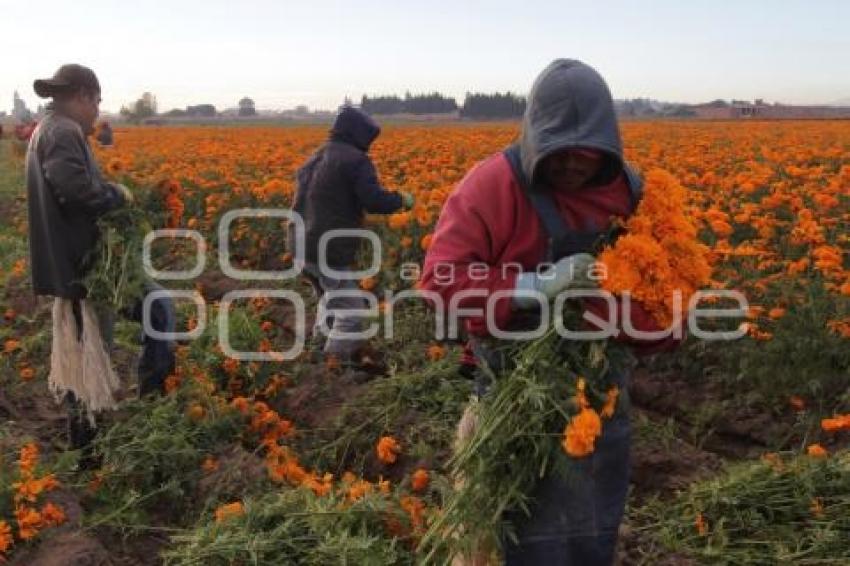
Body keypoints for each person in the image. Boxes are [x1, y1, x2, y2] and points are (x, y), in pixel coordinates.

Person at [420, 59, 680, 565]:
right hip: (515, 392)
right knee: (525, 532)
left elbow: (666, 309)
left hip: (602, 396)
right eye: (559, 154)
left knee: (592, 527)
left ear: (608, 144)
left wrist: (627, 317)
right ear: (535, 136)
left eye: (586, 154)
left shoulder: (632, 192)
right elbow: (440, 283)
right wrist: (533, 285)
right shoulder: (493, 185)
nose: (572, 166)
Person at [26, 64, 175, 452]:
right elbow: (75, 189)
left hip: (83, 263)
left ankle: (100, 437)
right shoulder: (62, 132)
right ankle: (101, 440)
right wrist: (116, 196)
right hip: (83, 267)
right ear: (82, 96)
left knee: (95, 347)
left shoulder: (57, 129)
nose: (98, 111)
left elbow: (74, 185)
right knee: (91, 353)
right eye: (97, 101)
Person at [289, 106, 414, 362]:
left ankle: (316, 353)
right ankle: (332, 368)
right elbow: (373, 200)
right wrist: (399, 200)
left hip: (300, 245)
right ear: (359, 135)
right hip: (326, 249)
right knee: (352, 312)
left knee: (329, 300)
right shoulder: (355, 160)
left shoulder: (317, 155)